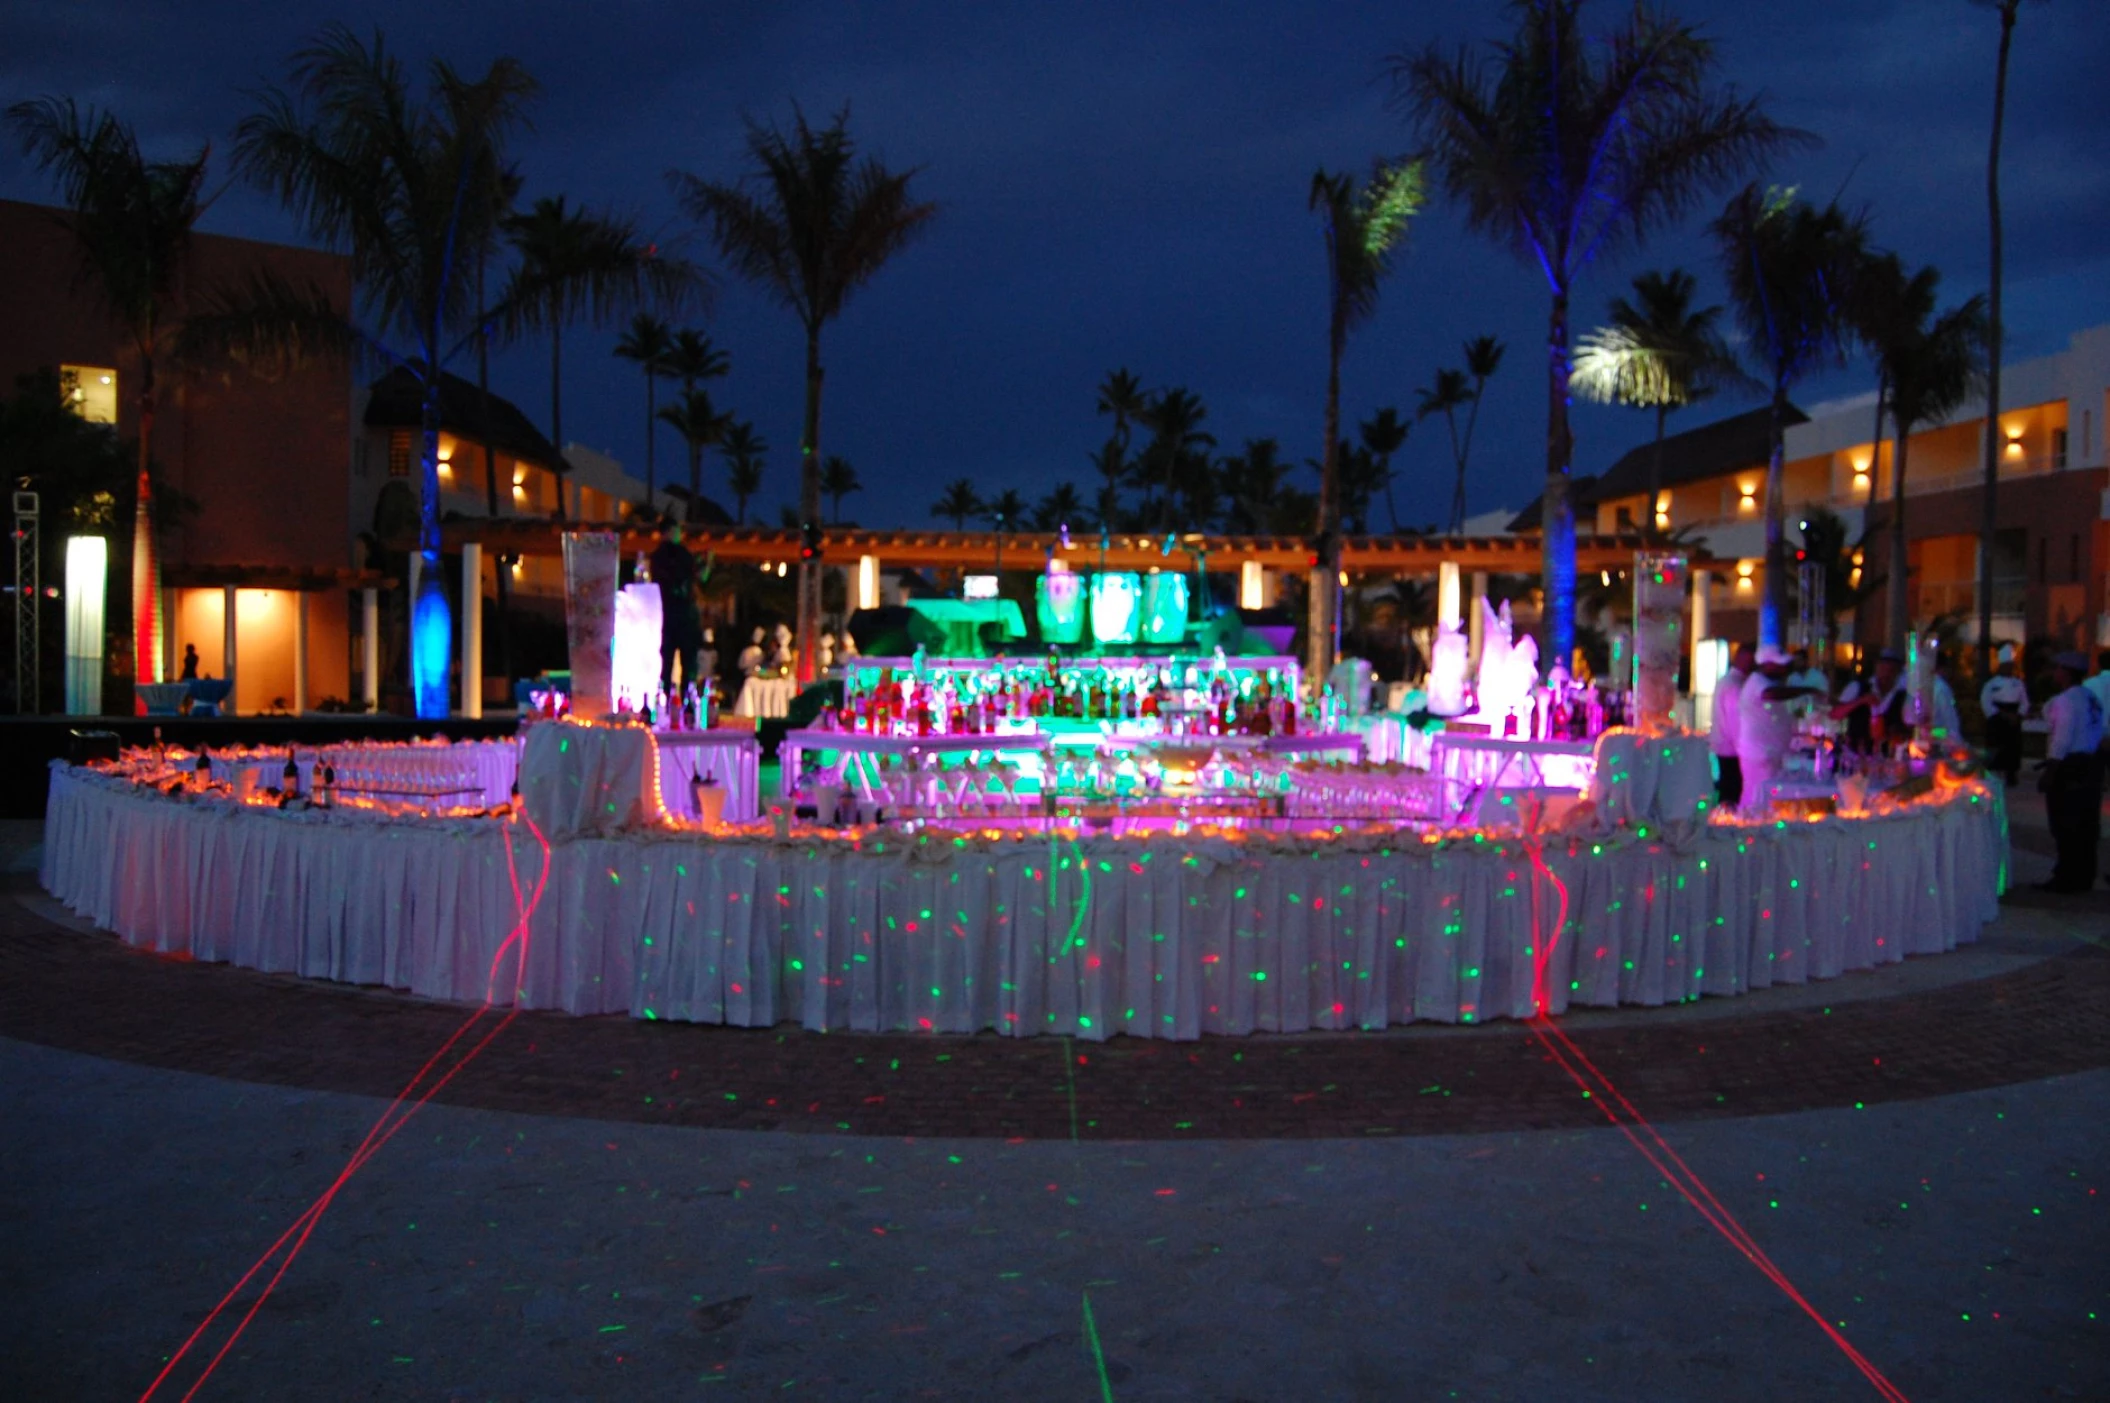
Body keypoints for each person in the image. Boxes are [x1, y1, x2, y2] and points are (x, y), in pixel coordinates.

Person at [2035, 651, 2105, 893]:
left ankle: (2067, 877)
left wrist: (2050, 771)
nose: (2054, 673)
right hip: (2090, 764)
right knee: (2086, 823)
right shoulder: (2090, 697)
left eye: (2057, 669)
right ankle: (2084, 875)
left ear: (2066, 672)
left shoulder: (2065, 701)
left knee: (2065, 823)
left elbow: (2061, 739)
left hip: (2069, 766)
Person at [1737, 645, 1824, 815]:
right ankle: (1748, 832)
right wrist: (1807, 689)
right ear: (1767, 664)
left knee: (1764, 800)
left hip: (1769, 754)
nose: (1784, 668)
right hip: (1760, 755)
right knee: (1757, 800)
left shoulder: (1766, 682)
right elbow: (1771, 694)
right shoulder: (1757, 681)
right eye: (1779, 665)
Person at [648, 523, 704, 690]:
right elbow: (696, 576)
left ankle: (665, 700)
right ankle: (687, 703)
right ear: (669, 532)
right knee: (687, 663)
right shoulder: (681, 555)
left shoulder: (658, 557)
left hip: (668, 614)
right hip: (681, 614)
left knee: (668, 662)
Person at [1834, 649, 1907, 753]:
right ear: (1876, 668)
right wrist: (1861, 701)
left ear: (1897, 673)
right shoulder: (1857, 687)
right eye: (1883, 669)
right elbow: (1835, 714)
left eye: (1891, 671)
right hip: (1855, 754)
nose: (1886, 674)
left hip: (1887, 757)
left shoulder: (1902, 696)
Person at [1710, 642, 1753, 810]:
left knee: (1727, 787)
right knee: (1732, 790)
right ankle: (1728, 822)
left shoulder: (1726, 681)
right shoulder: (1735, 686)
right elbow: (1735, 722)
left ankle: (1725, 817)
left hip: (1723, 744)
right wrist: (1743, 748)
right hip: (1731, 748)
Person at [1980, 644, 2029, 785]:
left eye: (2011, 665)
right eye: (2006, 665)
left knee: (2013, 747)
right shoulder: (1991, 684)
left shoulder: (2018, 683)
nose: (2009, 668)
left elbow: (2025, 702)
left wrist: (2018, 715)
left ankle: (2011, 774)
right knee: (1996, 746)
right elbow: (1986, 701)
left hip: (2014, 717)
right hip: (1997, 719)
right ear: (2001, 666)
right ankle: (1993, 774)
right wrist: (1999, 715)